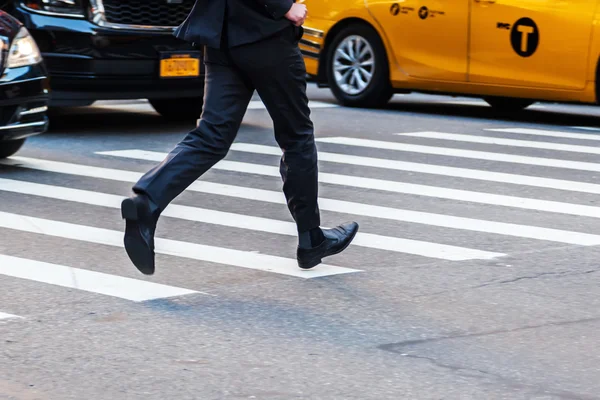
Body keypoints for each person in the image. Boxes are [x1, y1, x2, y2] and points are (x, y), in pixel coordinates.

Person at [120, 0, 359, 275]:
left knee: (212, 135)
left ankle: (147, 201)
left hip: (222, 35)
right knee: (297, 137)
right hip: (265, 33)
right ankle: (310, 239)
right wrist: (283, 6)